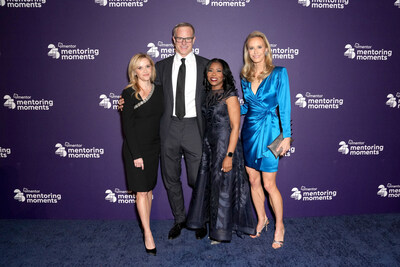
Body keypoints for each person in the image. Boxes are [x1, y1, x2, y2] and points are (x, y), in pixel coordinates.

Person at [119, 23, 209, 240]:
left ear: (194, 40)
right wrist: (125, 101)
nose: (184, 42)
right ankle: (180, 219)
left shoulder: (207, 65)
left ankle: (199, 219)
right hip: (168, 128)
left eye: (188, 38)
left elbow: (219, 94)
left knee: (198, 177)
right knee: (170, 177)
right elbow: (143, 91)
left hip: (194, 126)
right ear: (173, 40)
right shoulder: (161, 66)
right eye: (180, 38)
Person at [186, 59, 256, 244]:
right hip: (210, 146)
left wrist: (229, 156)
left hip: (225, 146)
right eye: (210, 70)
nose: (214, 74)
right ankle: (215, 227)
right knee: (212, 187)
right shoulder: (207, 94)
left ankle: (221, 231)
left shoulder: (230, 95)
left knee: (223, 189)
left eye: (218, 71)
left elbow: (235, 127)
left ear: (224, 74)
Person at [240, 31, 292, 249]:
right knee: (253, 181)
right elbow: (247, 107)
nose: (255, 52)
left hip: (271, 132)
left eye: (259, 47)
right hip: (249, 131)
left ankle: (279, 225)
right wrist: (227, 107)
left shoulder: (279, 73)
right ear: (247, 52)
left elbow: (285, 106)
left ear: (266, 49)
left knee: (270, 184)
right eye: (251, 48)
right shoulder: (244, 76)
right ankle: (262, 218)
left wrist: (287, 136)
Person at [120, 53, 163, 255]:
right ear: (134, 71)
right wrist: (136, 154)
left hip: (154, 148)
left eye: (148, 66)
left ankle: (147, 227)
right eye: (140, 67)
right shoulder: (128, 94)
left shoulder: (160, 91)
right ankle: (147, 233)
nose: (145, 71)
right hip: (134, 149)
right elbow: (127, 127)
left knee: (148, 190)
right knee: (141, 191)